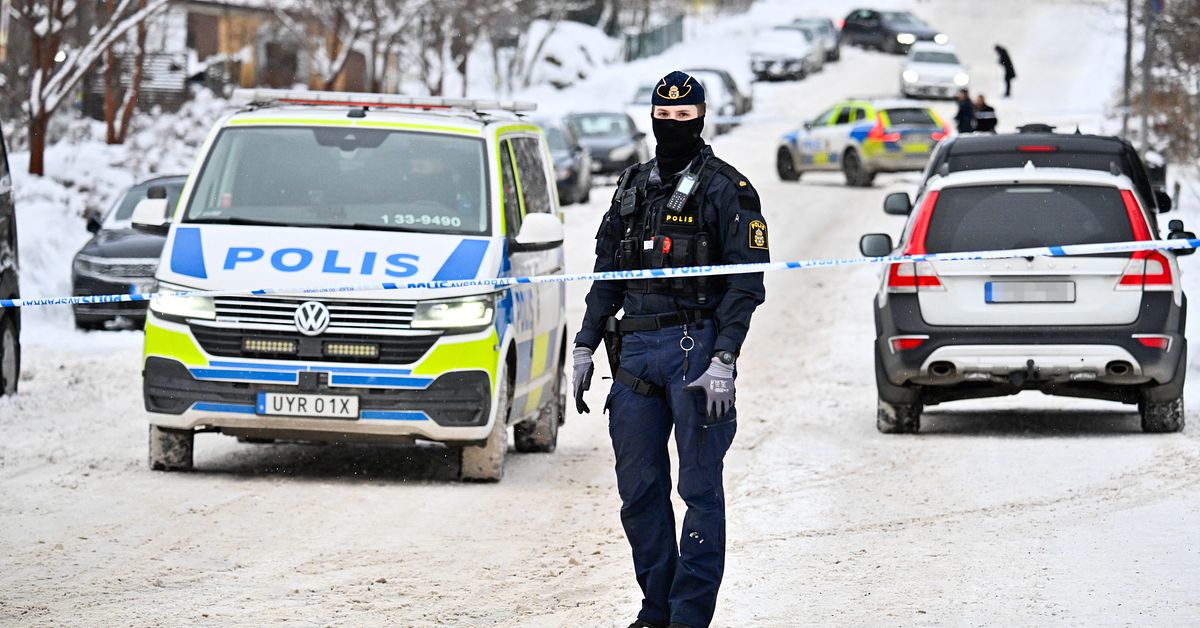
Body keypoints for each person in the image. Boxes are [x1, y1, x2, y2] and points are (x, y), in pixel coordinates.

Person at [572, 70, 769, 628]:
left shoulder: (727, 188)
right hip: (634, 353)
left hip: (696, 351)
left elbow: (745, 285)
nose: (673, 124)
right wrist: (585, 344)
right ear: (652, 117)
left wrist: (725, 357)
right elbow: (608, 274)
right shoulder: (632, 186)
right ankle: (655, 610)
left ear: (702, 118)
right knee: (639, 491)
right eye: (664, 115)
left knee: (699, 490)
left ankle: (688, 617)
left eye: (685, 116)